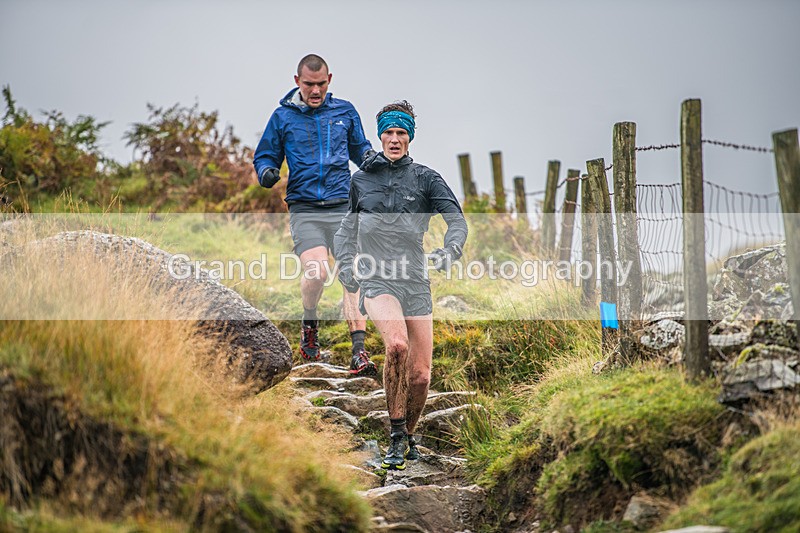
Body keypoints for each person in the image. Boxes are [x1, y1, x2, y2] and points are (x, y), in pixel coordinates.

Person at [334, 101, 468, 470]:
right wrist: (346, 265)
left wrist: (450, 249)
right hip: (376, 277)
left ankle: (408, 434)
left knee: (421, 375)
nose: (394, 139)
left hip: (415, 279)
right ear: (380, 136)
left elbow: (456, 221)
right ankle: (394, 437)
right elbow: (346, 228)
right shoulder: (361, 180)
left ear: (410, 138)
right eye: (389, 133)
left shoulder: (426, 178)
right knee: (396, 346)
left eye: (401, 133)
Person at [253, 54, 377, 376]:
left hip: (341, 206)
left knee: (352, 276)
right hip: (305, 209)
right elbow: (265, 154)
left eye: (321, 84)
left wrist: (372, 160)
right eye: (309, 84)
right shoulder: (282, 117)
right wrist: (267, 171)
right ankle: (309, 326)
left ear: (330, 80)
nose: (315, 90)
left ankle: (359, 352)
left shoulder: (345, 112)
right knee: (318, 271)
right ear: (297, 82)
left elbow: (359, 149)